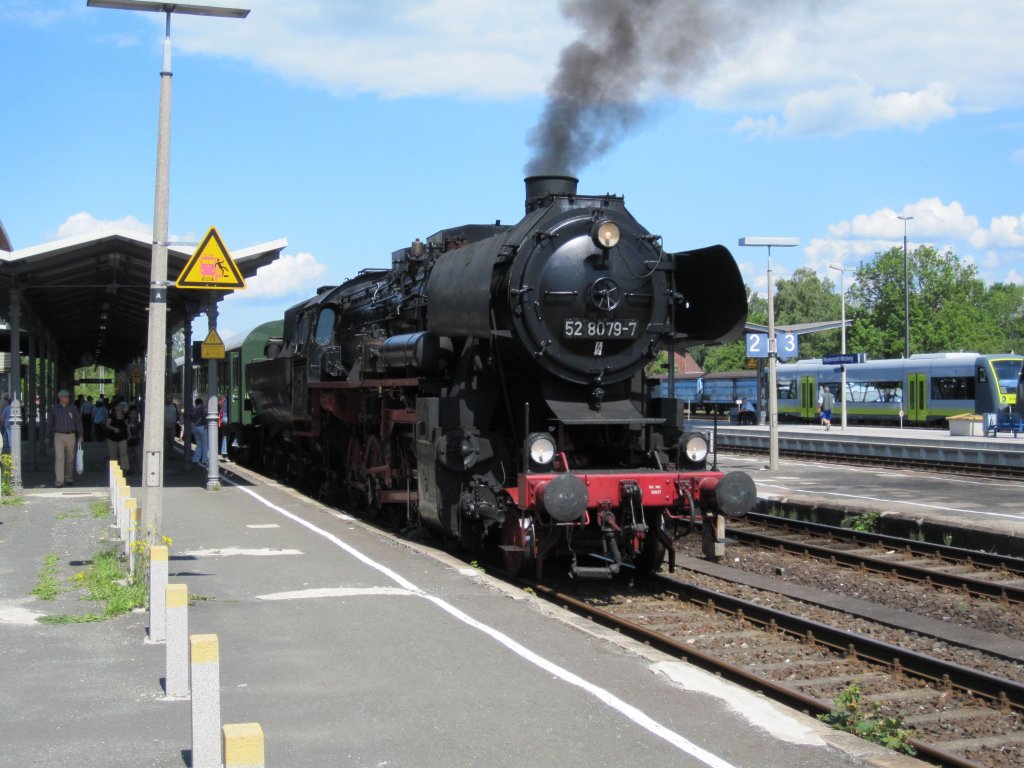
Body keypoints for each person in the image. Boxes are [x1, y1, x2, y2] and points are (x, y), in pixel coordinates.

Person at [43, 389, 84, 488]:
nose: (68, 398)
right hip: (58, 436)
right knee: (59, 458)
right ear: (60, 398)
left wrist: (81, 435)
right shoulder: (55, 409)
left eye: (68, 396)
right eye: (66, 396)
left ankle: (69, 478)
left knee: (70, 458)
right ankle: (59, 481)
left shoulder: (73, 408)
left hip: (71, 435)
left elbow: (78, 422)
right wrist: (47, 436)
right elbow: (50, 423)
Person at [103, 400, 130, 472]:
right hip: (112, 437)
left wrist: (129, 433)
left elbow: (127, 425)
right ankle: (114, 469)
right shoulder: (112, 415)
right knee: (113, 455)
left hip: (123, 436)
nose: (122, 407)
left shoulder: (125, 415)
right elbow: (107, 425)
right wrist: (114, 429)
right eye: (120, 405)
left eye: (122, 405)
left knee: (124, 453)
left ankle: (125, 468)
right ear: (115, 407)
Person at [191, 398, 208, 466]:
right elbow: (204, 415)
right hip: (202, 427)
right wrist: (205, 424)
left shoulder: (193, 409)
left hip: (195, 427)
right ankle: (204, 459)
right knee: (204, 444)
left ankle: (195, 459)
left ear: (196, 403)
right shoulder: (202, 408)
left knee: (198, 444)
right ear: (201, 403)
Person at [126, 405, 142, 474]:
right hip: (129, 441)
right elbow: (127, 430)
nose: (133, 415)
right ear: (129, 414)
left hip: (136, 440)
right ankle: (131, 469)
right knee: (130, 456)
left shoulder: (138, 423)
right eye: (131, 413)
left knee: (138, 455)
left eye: (134, 413)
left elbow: (140, 430)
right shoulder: (127, 422)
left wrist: (139, 435)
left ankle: (140, 469)